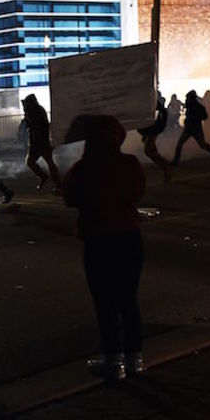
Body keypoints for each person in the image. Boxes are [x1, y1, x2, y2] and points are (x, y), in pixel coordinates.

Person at [62, 115, 146, 380]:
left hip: (100, 241)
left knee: (105, 303)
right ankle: (135, 359)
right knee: (128, 301)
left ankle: (114, 360)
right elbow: (138, 192)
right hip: (130, 238)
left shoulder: (82, 169)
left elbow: (70, 199)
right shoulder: (130, 164)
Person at [21, 94, 62, 193]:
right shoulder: (36, 110)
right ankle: (46, 178)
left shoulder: (36, 111)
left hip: (41, 142)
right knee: (31, 162)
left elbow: (37, 126)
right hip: (37, 142)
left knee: (48, 163)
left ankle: (58, 185)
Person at [171, 90, 210, 166]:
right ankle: (175, 161)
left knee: (202, 145)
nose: (186, 99)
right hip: (189, 129)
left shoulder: (198, 107)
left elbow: (205, 117)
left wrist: (196, 117)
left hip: (196, 129)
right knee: (180, 144)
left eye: (187, 98)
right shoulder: (191, 106)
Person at [136, 92, 171, 183]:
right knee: (151, 151)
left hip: (153, 130)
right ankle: (166, 169)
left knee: (149, 151)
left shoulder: (155, 105)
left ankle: (166, 168)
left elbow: (156, 118)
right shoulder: (153, 104)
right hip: (151, 130)